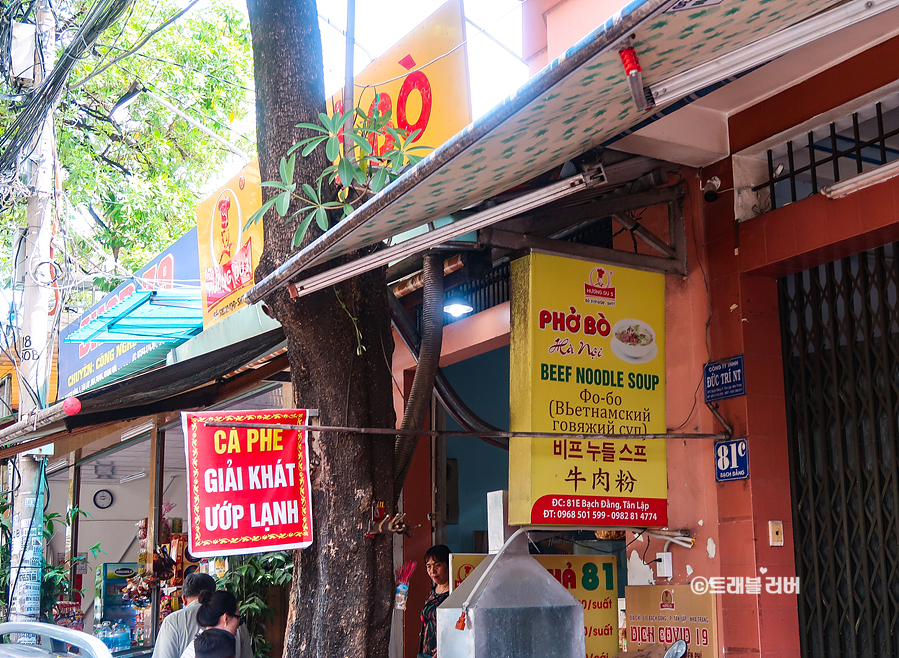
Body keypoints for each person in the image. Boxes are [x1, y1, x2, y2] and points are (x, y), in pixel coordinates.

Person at [152, 573, 250, 658]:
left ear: (183, 599)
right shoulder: (234, 623)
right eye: (239, 620)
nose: (239, 624)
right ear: (225, 618)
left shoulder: (173, 621)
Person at [179, 590, 243, 658]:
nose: (239, 624)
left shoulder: (207, 644)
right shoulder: (207, 650)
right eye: (238, 618)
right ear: (226, 618)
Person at [419, 544, 451, 658]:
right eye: (428, 566)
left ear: (448, 565)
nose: (433, 571)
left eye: (437, 565)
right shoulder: (432, 593)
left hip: (445, 653)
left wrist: (446, 647)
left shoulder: (454, 594)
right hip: (426, 652)